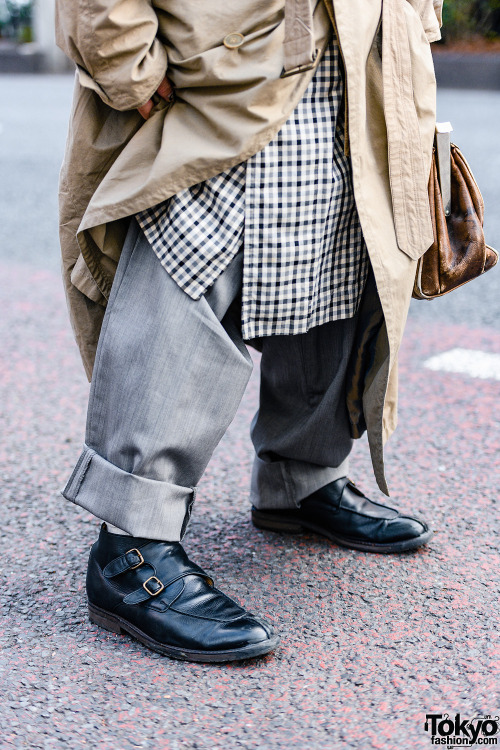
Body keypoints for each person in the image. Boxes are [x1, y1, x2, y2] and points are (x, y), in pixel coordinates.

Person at [55, 0, 443, 662]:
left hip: (360, 46)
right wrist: (126, 64)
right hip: (221, 64)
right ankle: (132, 546)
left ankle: (301, 478)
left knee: (341, 261)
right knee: (190, 265)